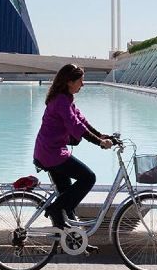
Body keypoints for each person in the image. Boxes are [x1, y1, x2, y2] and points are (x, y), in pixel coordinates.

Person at [33, 64, 113, 229]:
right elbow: (75, 126)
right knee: (88, 178)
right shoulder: (61, 101)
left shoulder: (65, 98)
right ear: (70, 82)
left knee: (66, 195)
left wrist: (101, 135)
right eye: (80, 81)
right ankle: (55, 209)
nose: (82, 85)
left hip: (50, 151)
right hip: (52, 153)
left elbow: (81, 120)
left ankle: (69, 238)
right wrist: (99, 142)